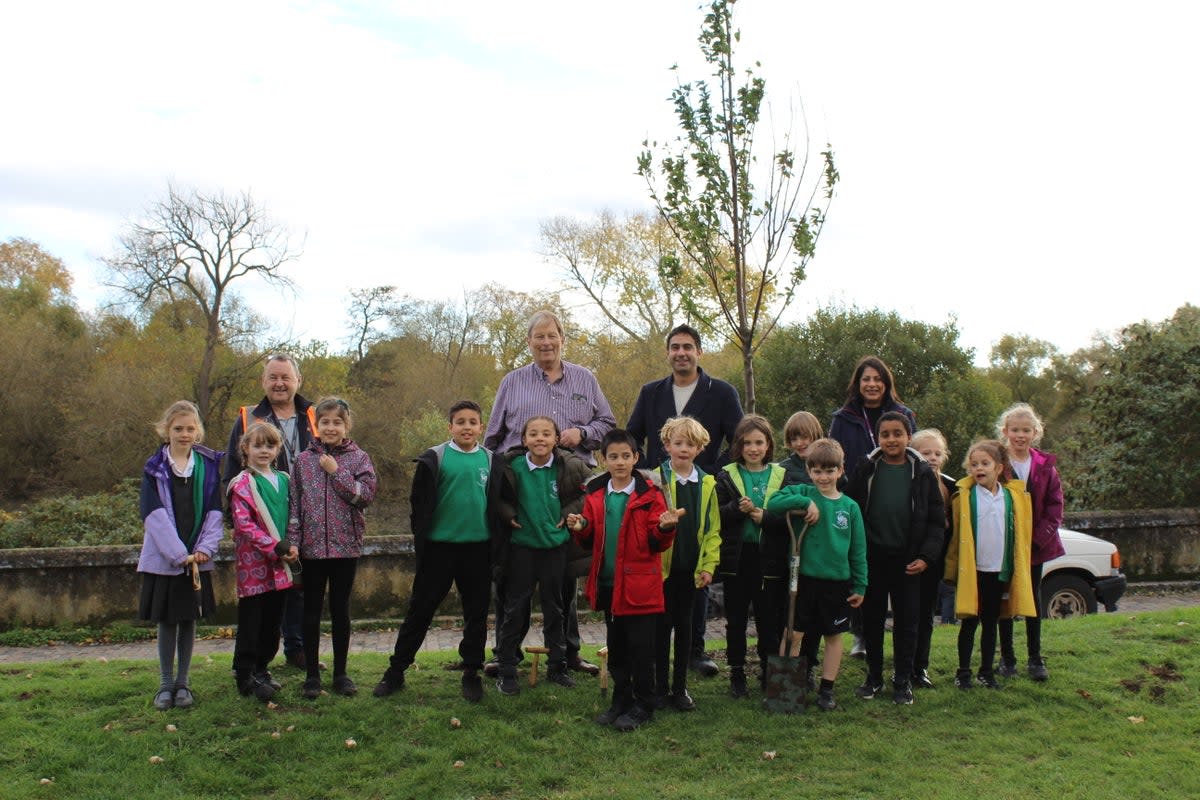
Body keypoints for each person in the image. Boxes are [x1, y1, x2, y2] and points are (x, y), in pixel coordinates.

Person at [485, 310, 614, 678]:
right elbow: (493, 438)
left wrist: (582, 434)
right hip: (521, 486)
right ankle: (505, 653)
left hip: (568, 485)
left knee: (564, 577)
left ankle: (568, 654)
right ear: (529, 342)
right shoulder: (512, 382)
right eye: (538, 337)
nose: (546, 342)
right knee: (512, 577)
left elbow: (607, 424)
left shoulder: (585, 379)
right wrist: (499, 490)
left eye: (551, 335)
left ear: (562, 338)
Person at [627, 324, 743, 678]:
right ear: (667, 352)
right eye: (675, 347)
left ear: (699, 352)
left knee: (695, 565)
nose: (681, 352)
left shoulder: (721, 392)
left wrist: (712, 472)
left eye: (688, 347)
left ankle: (695, 650)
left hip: (700, 488)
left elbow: (739, 438)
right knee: (662, 567)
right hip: (659, 490)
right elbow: (633, 435)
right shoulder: (651, 392)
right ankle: (657, 651)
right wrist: (645, 473)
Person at [374, 400, 493, 703]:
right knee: (420, 611)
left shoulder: (492, 461)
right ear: (450, 426)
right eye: (460, 422)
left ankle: (471, 672)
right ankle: (396, 671)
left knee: (476, 615)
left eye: (473, 422)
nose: (467, 427)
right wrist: (423, 541)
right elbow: (418, 505)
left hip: (478, 550)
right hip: (440, 549)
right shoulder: (435, 458)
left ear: (481, 426)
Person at [568, 429, 677, 731]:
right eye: (613, 457)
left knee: (642, 650)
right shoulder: (595, 495)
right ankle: (621, 700)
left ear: (636, 458)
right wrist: (580, 526)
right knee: (617, 649)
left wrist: (666, 528)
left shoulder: (650, 495)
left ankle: (644, 703)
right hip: (609, 585)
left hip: (640, 587)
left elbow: (657, 541)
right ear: (603, 459)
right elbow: (590, 540)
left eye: (625, 456)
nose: (619, 462)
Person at [224, 353, 317, 671]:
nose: (280, 383)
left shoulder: (316, 415)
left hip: (305, 517)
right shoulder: (249, 416)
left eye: (286, 377)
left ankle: (298, 649)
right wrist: (233, 520)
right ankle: (255, 660)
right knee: (262, 596)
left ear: (298, 381)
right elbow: (231, 470)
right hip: (261, 524)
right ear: (264, 381)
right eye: (273, 377)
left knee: (300, 587)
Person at [845, 411, 945, 705]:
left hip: (910, 561)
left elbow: (936, 522)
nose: (891, 439)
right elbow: (850, 509)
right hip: (873, 558)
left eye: (897, 434)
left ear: (908, 436)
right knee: (872, 621)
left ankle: (902, 680)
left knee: (907, 622)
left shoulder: (922, 472)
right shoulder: (866, 468)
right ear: (878, 438)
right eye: (885, 434)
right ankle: (873, 677)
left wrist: (926, 556)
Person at [491, 416, 591, 695]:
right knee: (515, 609)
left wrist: (566, 512)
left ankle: (557, 667)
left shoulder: (568, 466)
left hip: (555, 549)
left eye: (546, 433)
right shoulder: (511, 466)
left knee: (556, 609)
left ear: (556, 439)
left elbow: (591, 491)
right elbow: (494, 496)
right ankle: (507, 670)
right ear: (524, 440)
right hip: (521, 548)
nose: (539, 439)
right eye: (533, 434)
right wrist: (508, 514)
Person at [765, 438, 867, 711]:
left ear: (840, 470)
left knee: (834, 636)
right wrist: (804, 503)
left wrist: (861, 584)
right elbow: (773, 502)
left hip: (837, 583)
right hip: (804, 580)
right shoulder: (804, 492)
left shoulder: (850, 507)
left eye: (829, 471)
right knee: (793, 633)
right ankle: (787, 690)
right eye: (818, 471)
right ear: (810, 471)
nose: (824, 477)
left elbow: (858, 550)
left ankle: (826, 690)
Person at [137, 400, 224, 710]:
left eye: (190, 428)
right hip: (167, 559)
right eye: (177, 428)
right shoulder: (154, 468)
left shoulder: (208, 466)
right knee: (167, 622)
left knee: (189, 620)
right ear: (166, 430)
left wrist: (204, 549)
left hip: (197, 560)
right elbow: (152, 514)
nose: (184, 434)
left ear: (197, 431)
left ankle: (184, 683)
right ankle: (165, 684)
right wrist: (178, 554)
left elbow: (215, 511)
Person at [288, 397, 377, 700]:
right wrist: (295, 542)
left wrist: (336, 471)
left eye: (337, 422)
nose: (330, 427)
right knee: (310, 612)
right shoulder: (302, 461)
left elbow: (364, 497)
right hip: (311, 549)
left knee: (341, 611)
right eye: (324, 422)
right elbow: (295, 506)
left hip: (345, 547)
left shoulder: (359, 459)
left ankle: (341, 674)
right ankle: (312, 675)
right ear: (316, 425)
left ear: (346, 425)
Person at [829, 355, 916, 658]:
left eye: (877, 379)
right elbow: (833, 455)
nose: (872, 384)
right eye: (866, 379)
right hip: (855, 499)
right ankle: (861, 635)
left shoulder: (902, 414)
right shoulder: (843, 417)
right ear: (858, 383)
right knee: (858, 567)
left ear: (886, 382)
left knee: (889, 571)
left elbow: (914, 456)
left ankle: (901, 644)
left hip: (893, 498)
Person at [945, 439, 1036, 690]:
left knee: (991, 621)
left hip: (999, 569)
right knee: (969, 621)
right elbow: (954, 538)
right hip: (973, 570)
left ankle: (986, 671)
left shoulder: (1012, 496)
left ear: (999, 467)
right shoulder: (963, 497)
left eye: (985, 463)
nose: (979, 468)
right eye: (974, 464)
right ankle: (963, 672)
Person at [715, 414, 791, 698]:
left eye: (759, 442)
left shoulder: (782, 475)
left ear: (769, 444)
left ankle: (769, 673)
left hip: (770, 558)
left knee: (769, 620)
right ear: (739, 445)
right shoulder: (726, 476)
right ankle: (736, 674)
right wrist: (737, 508)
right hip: (737, 559)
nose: (753, 448)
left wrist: (765, 517)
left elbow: (789, 520)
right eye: (747, 443)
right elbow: (716, 515)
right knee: (735, 620)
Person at [227, 422, 299, 703]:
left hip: (279, 564)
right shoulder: (242, 484)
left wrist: (291, 545)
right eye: (257, 445)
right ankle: (245, 674)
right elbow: (244, 525)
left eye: (270, 445)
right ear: (245, 448)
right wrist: (276, 547)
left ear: (278, 449)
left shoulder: (284, 480)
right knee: (252, 621)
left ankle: (262, 669)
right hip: (254, 565)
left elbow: (294, 515)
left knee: (272, 621)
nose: (264, 451)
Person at [653, 417, 721, 712]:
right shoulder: (655, 479)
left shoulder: (707, 483)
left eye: (690, 444)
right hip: (660, 573)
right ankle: (658, 688)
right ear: (667, 445)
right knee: (659, 631)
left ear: (699, 448)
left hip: (691, 574)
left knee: (685, 631)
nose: (683, 449)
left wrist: (708, 566)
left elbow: (712, 530)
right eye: (678, 443)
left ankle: (680, 688)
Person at [996, 403, 1064, 682]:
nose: (1020, 435)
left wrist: (1038, 539)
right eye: (1015, 430)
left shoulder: (1045, 467)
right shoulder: (998, 463)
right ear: (1006, 432)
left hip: (1034, 548)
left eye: (1026, 430)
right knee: (1004, 599)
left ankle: (1035, 657)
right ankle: (1007, 657)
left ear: (1036, 432)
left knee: (1033, 598)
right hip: (1003, 544)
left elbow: (1054, 507)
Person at [909, 428, 957, 688]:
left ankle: (921, 667)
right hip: (909, 558)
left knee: (926, 615)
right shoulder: (906, 480)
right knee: (908, 615)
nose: (933, 457)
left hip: (935, 560)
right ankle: (903, 664)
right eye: (926, 452)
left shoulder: (950, 486)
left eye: (937, 453)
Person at [778, 411, 824, 485]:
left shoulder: (829, 462)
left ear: (816, 436)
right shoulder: (783, 469)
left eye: (804, 437)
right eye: (793, 439)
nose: (799, 443)